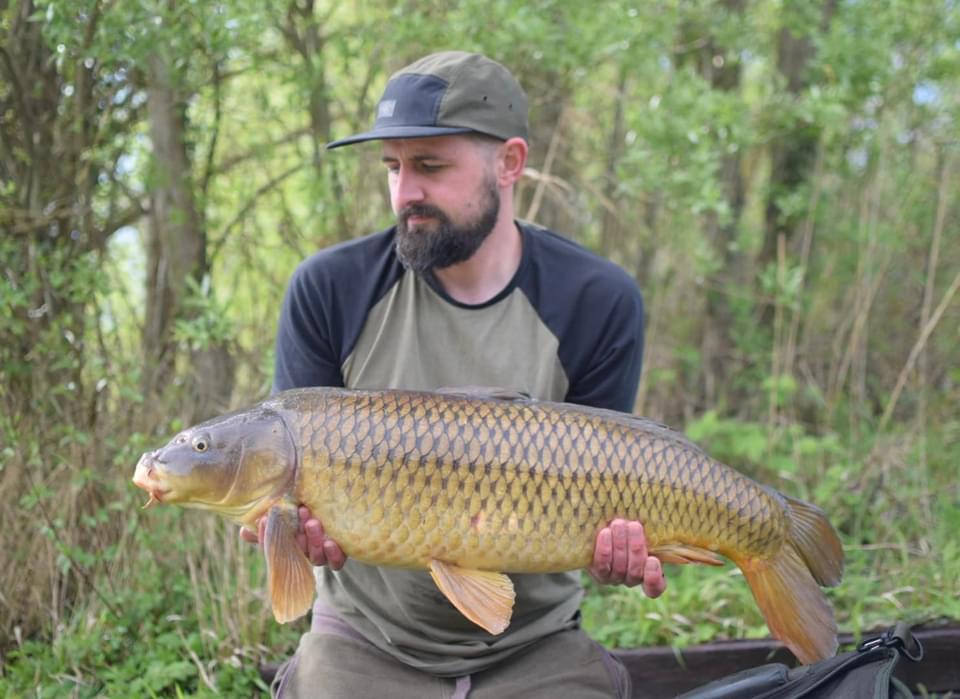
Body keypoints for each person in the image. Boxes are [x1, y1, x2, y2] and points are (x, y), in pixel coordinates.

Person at [247, 51, 666, 699]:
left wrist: (618, 548)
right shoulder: (330, 289)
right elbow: (290, 495)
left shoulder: (597, 299)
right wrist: (287, 533)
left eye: (430, 165)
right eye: (393, 166)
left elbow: (611, 492)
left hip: (536, 643)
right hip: (365, 639)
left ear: (510, 162)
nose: (405, 192)